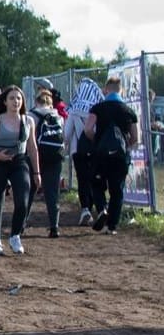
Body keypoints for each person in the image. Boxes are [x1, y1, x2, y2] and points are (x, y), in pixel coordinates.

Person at [0, 85, 42, 256]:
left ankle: (15, 236)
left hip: (19, 162)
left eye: (19, 98)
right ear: (5, 102)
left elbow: (33, 147)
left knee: (22, 202)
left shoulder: (28, 121)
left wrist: (37, 172)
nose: (16, 101)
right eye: (12, 98)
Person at [83, 74, 141, 234]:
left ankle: (102, 209)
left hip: (100, 155)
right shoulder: (129, 111)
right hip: (120, 157)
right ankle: (112, 226)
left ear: (106, 90)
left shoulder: (98, 108)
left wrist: (96, 140)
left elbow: (87, 129)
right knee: (117, 190)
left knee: (96, 184)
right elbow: (136, 137)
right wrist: (125, 146)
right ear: (121, 90)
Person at [66, 76, 106, 227]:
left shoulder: (74, 109)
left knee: (82, 179)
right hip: (96, 150)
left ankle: (85, 210)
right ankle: (101, 207)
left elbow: (67, 132)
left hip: (78, 150)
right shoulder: (99, 108)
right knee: (96, 179)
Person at [28, 88, 66, 237]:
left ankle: (22, 222)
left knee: (30, 191)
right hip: (55, 157)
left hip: (36, 156)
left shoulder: (31, 116)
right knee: (52, 193)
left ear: (37, 101)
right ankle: (54, 226)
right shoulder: (58, 117)